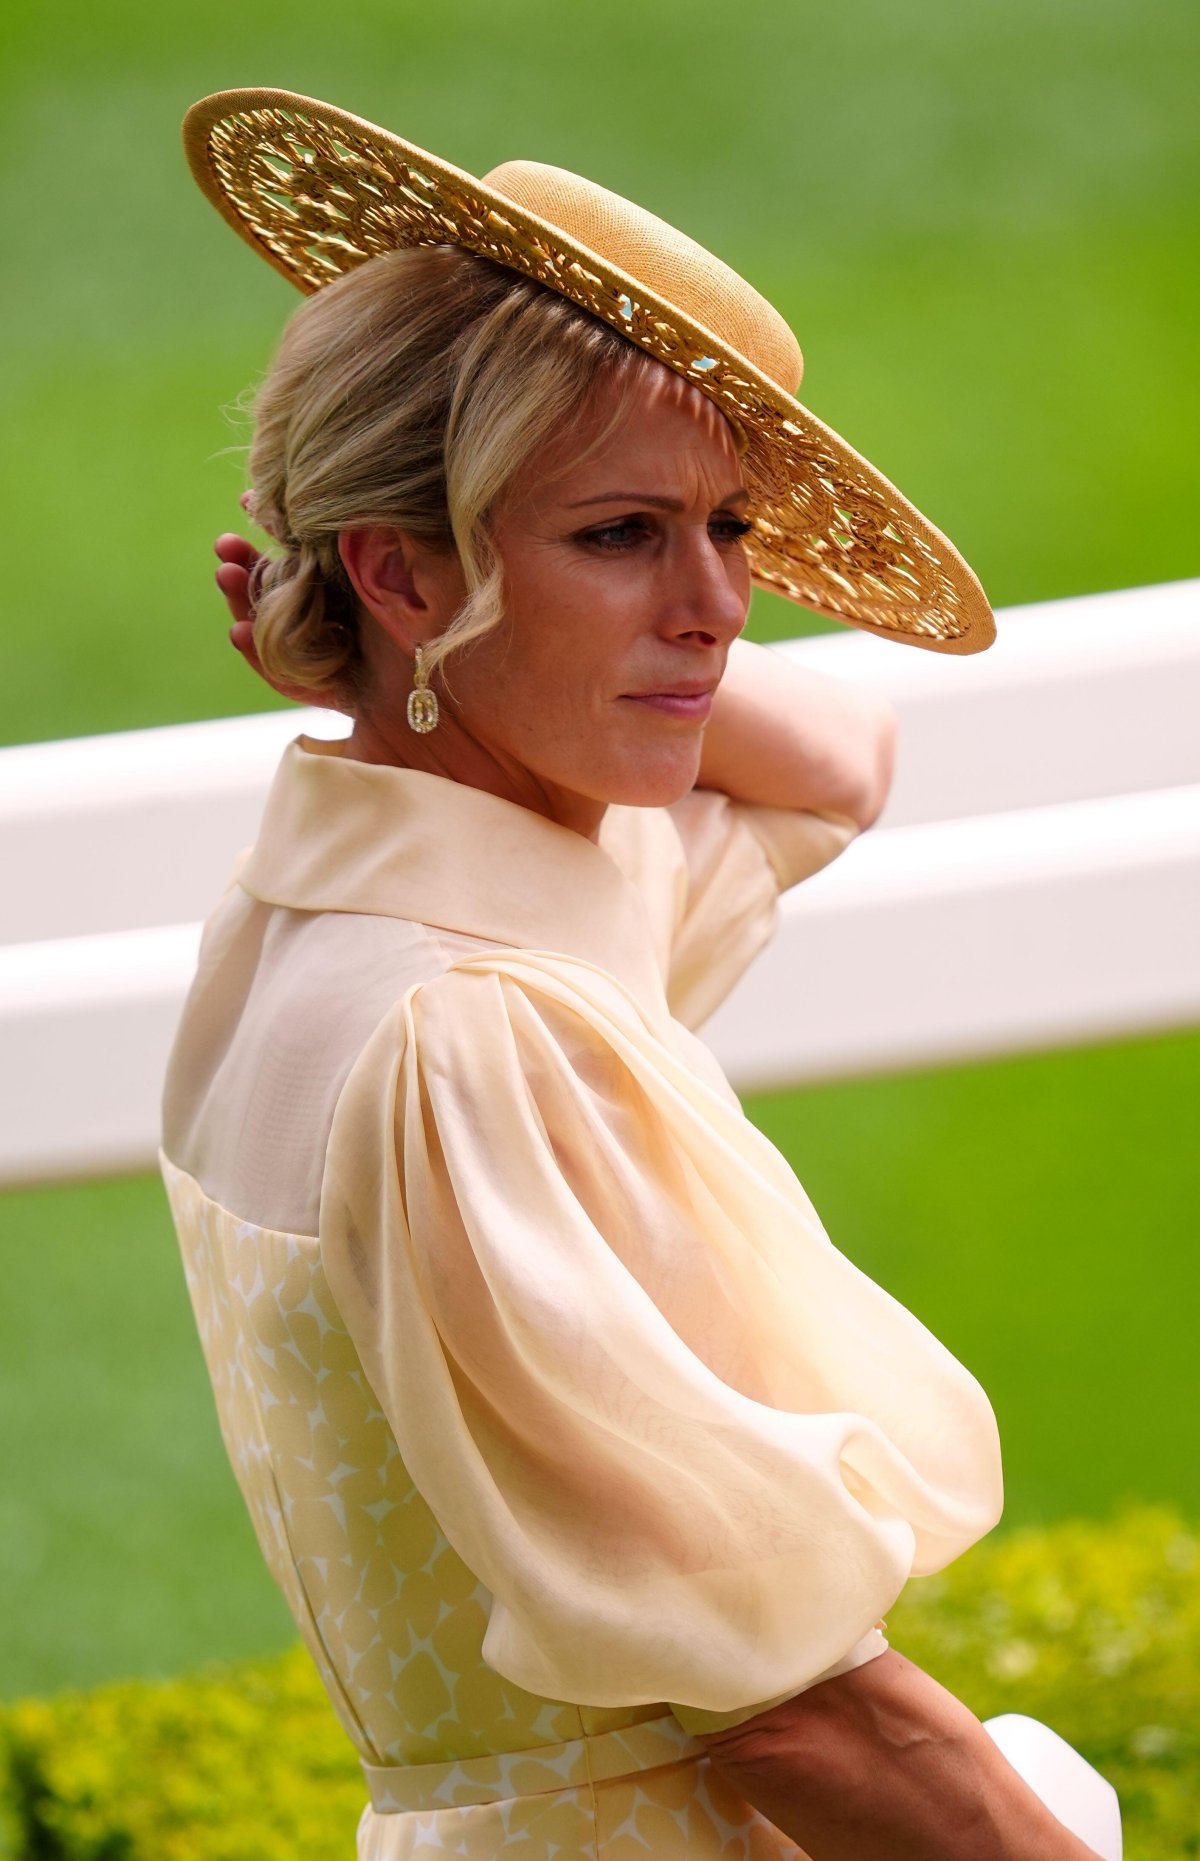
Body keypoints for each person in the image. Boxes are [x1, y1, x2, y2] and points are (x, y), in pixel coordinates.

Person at [161, 89, 1107, 1859]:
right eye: (620, 535)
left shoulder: (325, 919)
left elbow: (837, 765)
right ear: (403, 563)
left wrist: (421, 652)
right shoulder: (471, 1038)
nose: (725, 604)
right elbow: (798, 1708)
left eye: (732, 527)